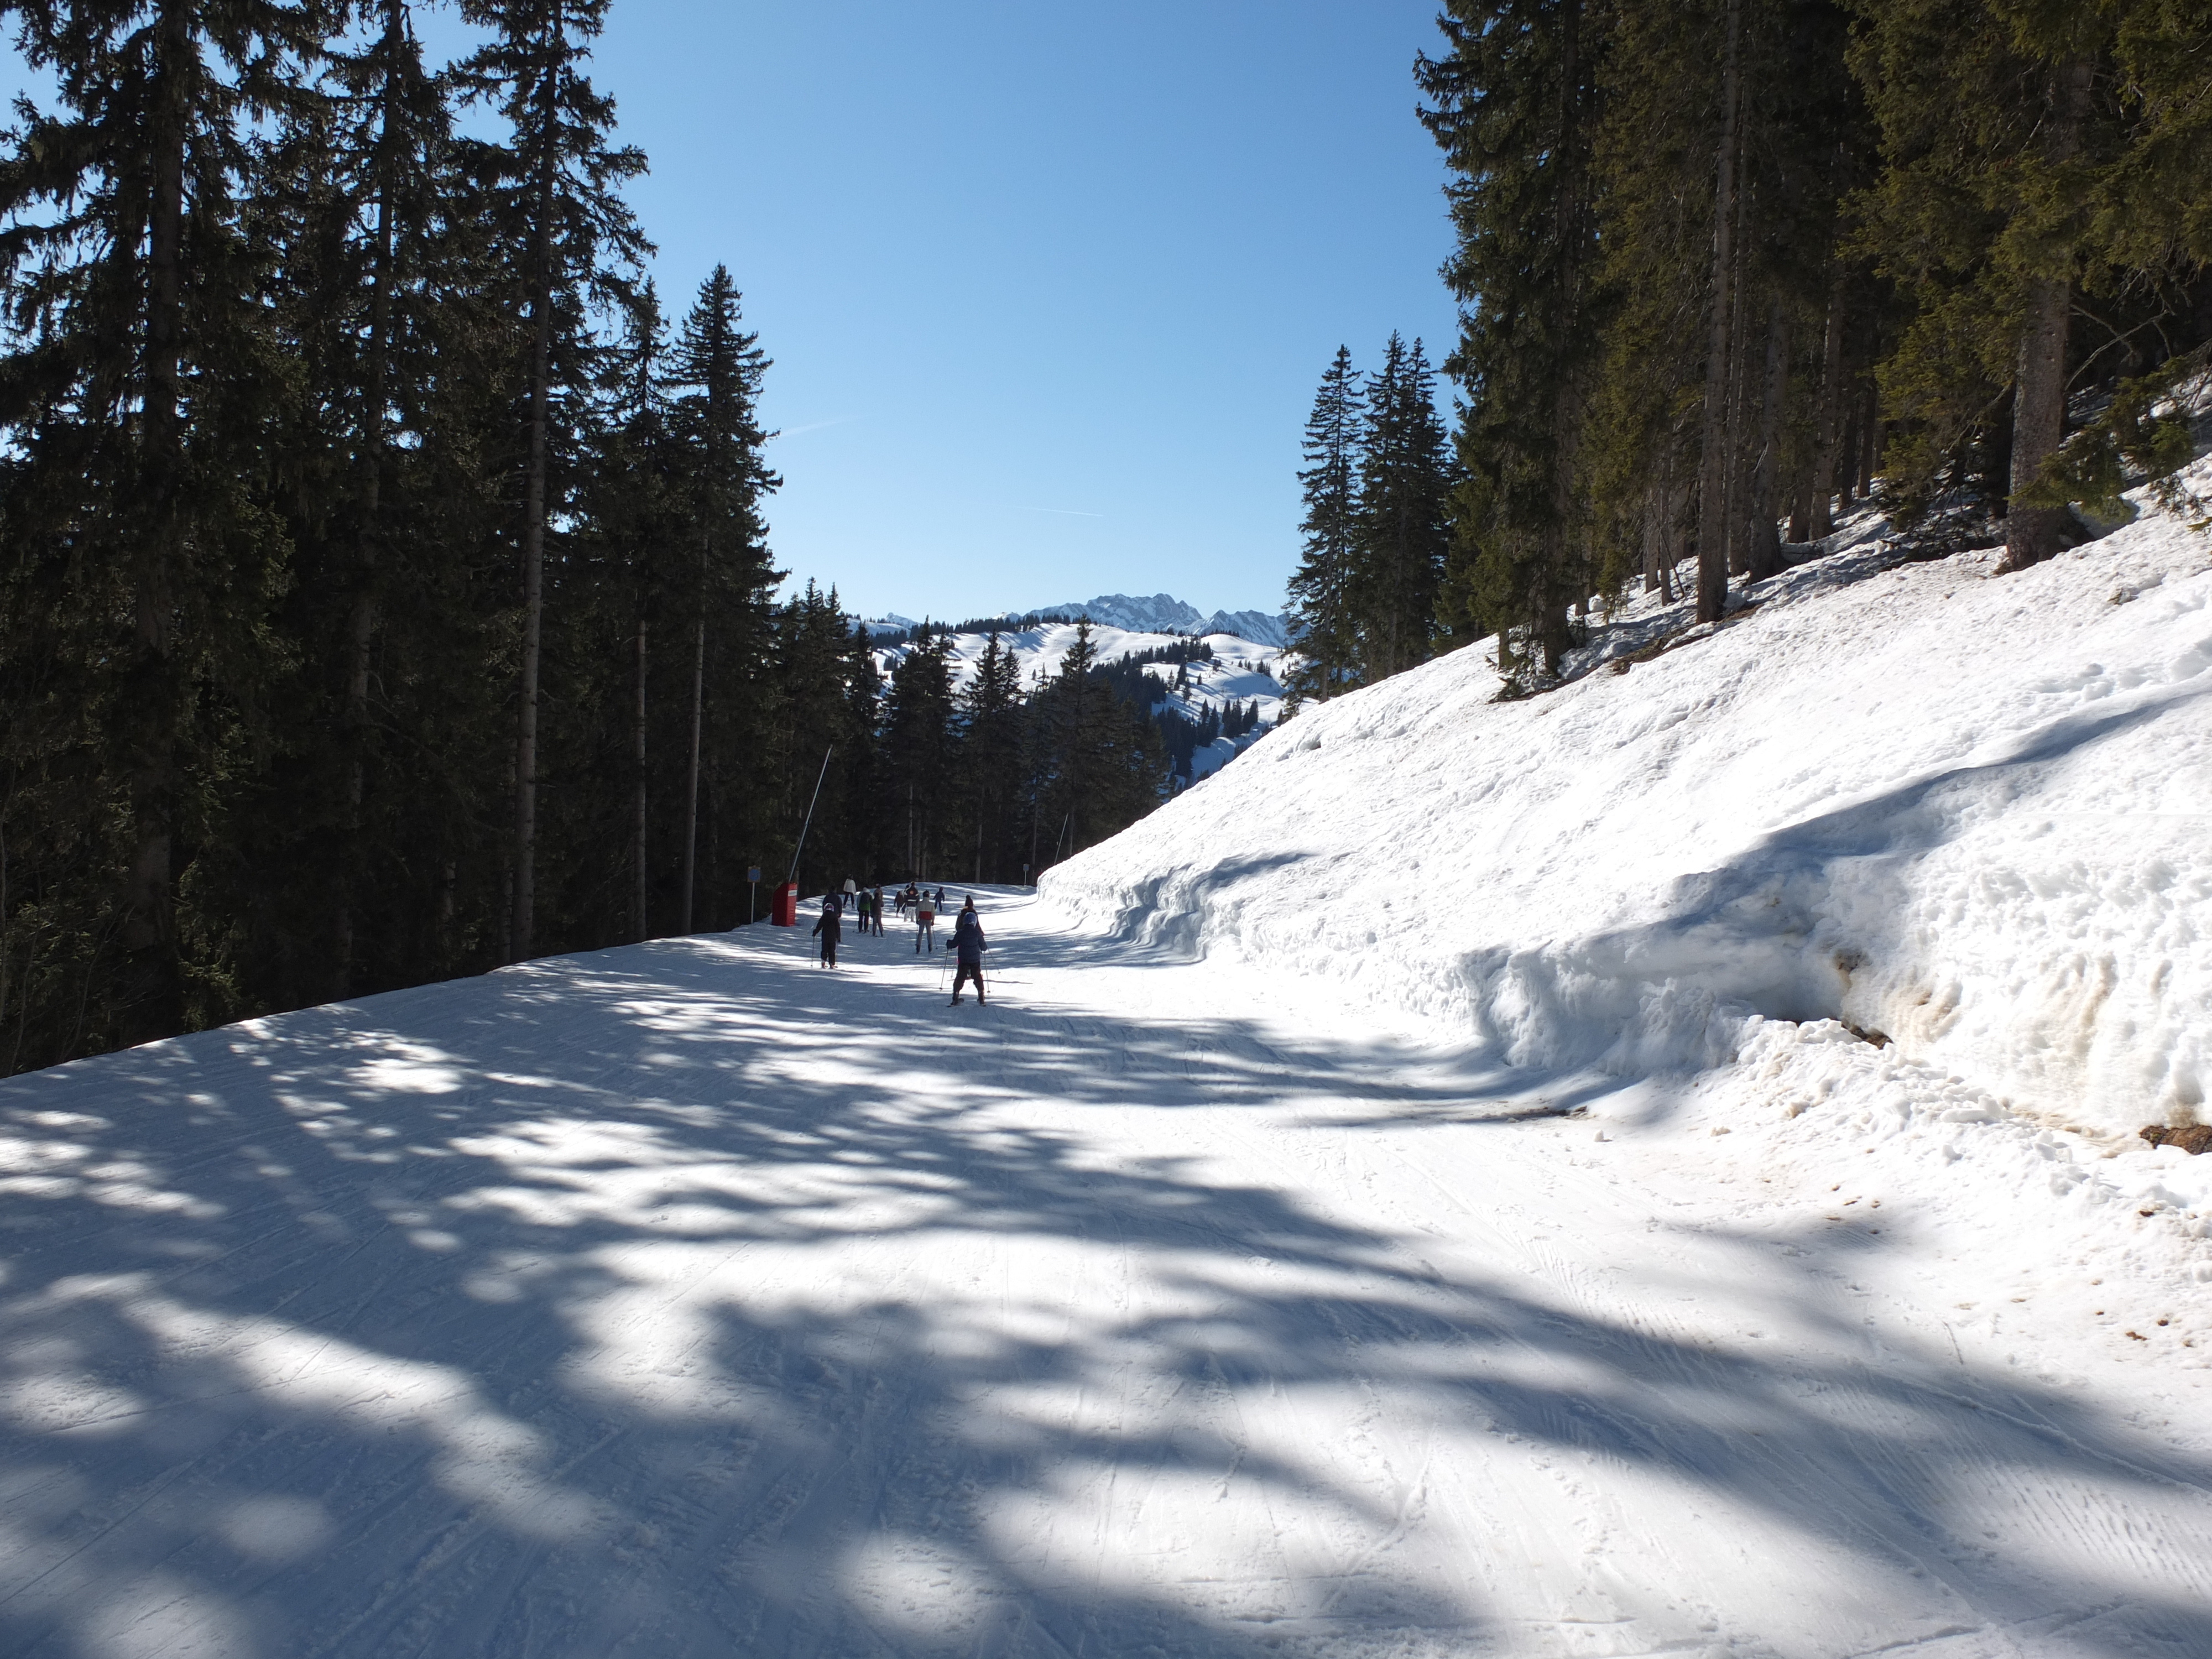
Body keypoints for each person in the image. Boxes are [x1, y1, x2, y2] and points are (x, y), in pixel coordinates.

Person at [948, 898, 987, 1005]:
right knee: (977, 976)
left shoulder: (960, 932)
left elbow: (953, 944)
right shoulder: (977, 933)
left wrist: (949, 943)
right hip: (975, 959)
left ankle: (955, 996)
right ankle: (981, 996)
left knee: (960, 977)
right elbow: (984, 947)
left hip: (963, 959)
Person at [810, 896, 842, 967]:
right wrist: (838, 936)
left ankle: (823, 963)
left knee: (824, 950)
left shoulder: (824, 917)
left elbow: (819, 926)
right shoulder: (835, 917)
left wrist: (815, 932)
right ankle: (831, 964)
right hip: (833, 937)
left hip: (825, 936)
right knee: (832, 951)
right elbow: (837, 928)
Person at [914, 889, 936, 953]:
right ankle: (930, 945)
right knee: (929, 934)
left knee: (920, 934)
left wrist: (917, 919)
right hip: (928, 920)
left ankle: (918, 946)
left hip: (921, 919)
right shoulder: (931, 904)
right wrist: (933, 921)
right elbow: (933, 913)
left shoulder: (920, 903)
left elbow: (917, 912)